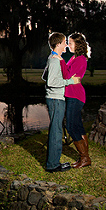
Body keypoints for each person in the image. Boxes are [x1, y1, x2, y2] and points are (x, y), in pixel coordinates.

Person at [43, 32, 80, 172]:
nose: (66, 45)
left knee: (57, 129)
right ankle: (53, 165)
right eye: (65, 42)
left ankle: (54, 162)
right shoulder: (54, 60)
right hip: (55, 99)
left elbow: (45, 76)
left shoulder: (55, 58)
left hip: (56, 98)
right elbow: (51, 81)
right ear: (58, 44)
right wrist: (71, 81)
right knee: (56, 131)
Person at [60, 32, 91, 168]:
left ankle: (85, 157)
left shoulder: (80, 59)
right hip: (72, 94)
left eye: (70, 43)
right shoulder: (75, 58)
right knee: (78, 126)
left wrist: (60, 60)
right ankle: (84, 157)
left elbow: (66, 74)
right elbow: (68, 74)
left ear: (77, 44)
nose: (67, 45)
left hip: (75, 95)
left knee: (71, 126)